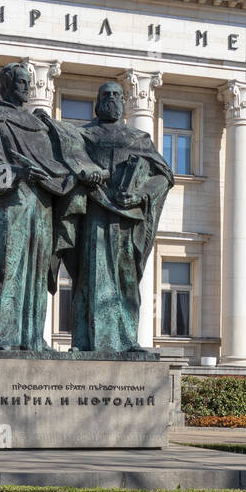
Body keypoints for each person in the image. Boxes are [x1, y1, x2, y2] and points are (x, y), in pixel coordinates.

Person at [0, 62, 105, 352]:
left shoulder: (41, 125)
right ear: (6, 85)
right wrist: (15, 172)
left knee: (37, 276)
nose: (27, 87)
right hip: (11, 206)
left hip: (42, 206)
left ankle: (32, 339)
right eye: (20, 82)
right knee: (8, 270)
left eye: (28, 82)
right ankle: (3, 338)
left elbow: (61, 161)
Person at [51, 80, 174, 353]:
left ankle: (128, 340)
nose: (113, 100)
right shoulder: (82, 135)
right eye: (106, 95)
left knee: (127, 279)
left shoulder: (138, 139)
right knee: (90, 278)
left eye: (118, 95)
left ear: (124, 102)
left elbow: (163, 175)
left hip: (128, 219)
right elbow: (67, 165)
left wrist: (141, 194)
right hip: (94, 214)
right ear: (97, 101)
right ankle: (84, 342)